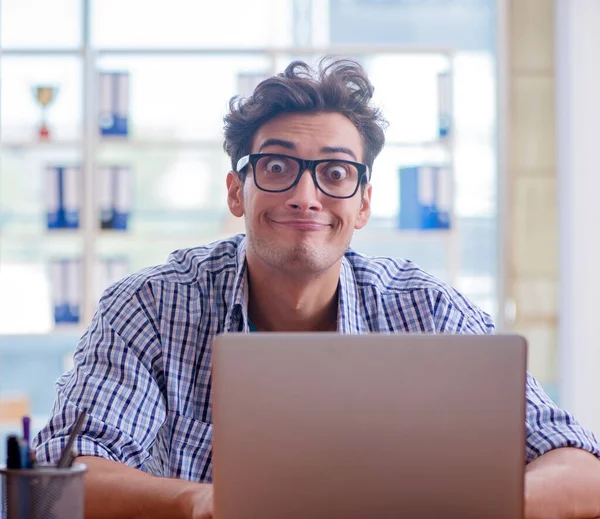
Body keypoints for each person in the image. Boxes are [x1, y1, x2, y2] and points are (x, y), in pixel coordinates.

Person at [34, 57, 600, 519]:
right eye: (278, 167)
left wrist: (478, 504)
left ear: (363, 204)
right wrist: (203, 502)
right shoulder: (152, 306)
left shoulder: (425, 307)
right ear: (238, 192)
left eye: (334, 173)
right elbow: (66, 476)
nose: (306, 196)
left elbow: (580, 467)